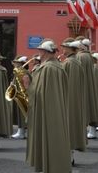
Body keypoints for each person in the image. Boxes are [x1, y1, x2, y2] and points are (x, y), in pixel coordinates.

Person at [26, 39, 71, 173]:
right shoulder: (53, 66)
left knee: (50, 139)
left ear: (44, 52)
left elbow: (41, 92)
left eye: (40, 50)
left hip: (47, 112)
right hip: (50, 110)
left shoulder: (49, 69)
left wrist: (28, 86)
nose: (38, 53)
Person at [61, 38, 87, 157]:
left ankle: (68, 155)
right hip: (73, 99)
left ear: (70, 49)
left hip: (68, 100)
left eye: (64, 47)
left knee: (68, 126)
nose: (62, 49)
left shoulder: (69, 63)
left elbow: (67, 84)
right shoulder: (74, 62)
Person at [75, 36, 98, 139]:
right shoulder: (89, 56)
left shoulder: (80, 56)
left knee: (84, 107)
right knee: (91, 106)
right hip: (89, 83)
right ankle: (92, 130)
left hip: (82, 84)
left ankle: (83, 131)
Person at [11, 55, 29, 139]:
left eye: (16, 62)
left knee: (22, 114)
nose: (14, 63)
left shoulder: (22, 72)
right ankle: (20, 130)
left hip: (22, 95)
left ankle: (21, 132)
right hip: (18, 94)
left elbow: (25, 84)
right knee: (19, 113)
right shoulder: (19, 71)